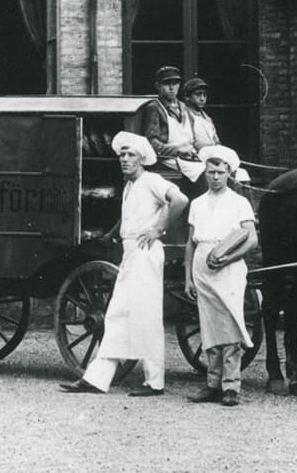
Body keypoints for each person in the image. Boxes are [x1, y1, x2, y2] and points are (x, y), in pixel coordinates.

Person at [60, 132, 188, 396]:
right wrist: (113, 233)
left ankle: (148, 382)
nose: (124, 159)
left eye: (131, 155)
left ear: (142, 159)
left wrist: (158, 229)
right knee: (124, 314)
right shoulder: (130, 185)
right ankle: (102, 378)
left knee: (136, 314)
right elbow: (132, 217)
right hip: (132, 251)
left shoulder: (152, 180)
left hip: (146, 252)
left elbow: (180, 200)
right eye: (122, 155)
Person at [184, 145, 258, 407]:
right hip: (202, 266)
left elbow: (251, 239)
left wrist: (229, 257)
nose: (215, 177)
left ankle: (231, 386)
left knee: (230, 322)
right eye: (211, 171)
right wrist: (188, 278)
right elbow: (191, 244)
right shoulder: (197, 204)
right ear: (205, 172)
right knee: (209, 326)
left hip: (229, 266)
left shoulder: (239, 203)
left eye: (220, 172)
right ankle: (212, 384)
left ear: (229, 173)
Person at [133, 66, 204, 188]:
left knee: (224, 168)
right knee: (205, 173)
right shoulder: (155, 108)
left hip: (190, 156)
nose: (172, 88)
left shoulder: (184, 107)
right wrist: (177, 151)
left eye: (175, 83)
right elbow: (151, 143)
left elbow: (194, 136)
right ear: (158, 86)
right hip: (168, 159)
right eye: (166, 84)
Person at [181, 77, 220, 148]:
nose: (202, 98)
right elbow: (186, 142)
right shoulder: (184, 116)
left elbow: (216, 141)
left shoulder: (207, 118)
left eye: (204, 94)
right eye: (198, 94)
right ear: (187, 97)